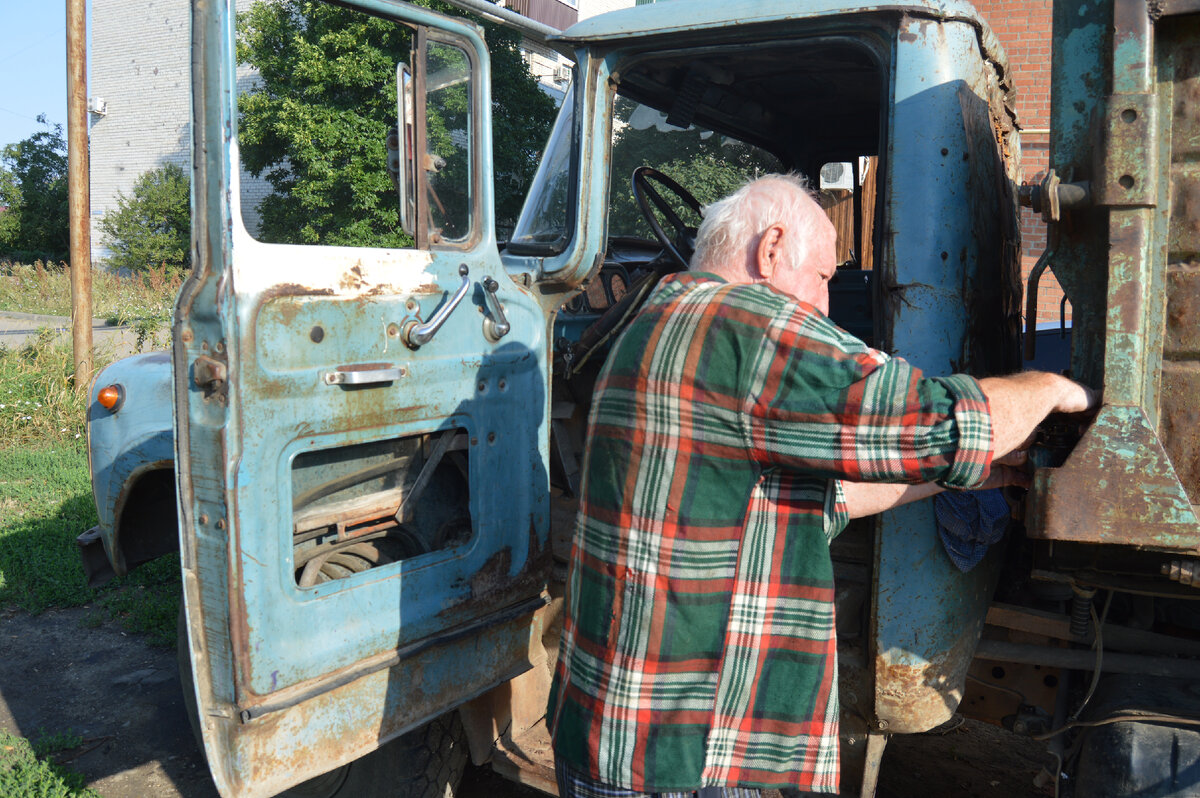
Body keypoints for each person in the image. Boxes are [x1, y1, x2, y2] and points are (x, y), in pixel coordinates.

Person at [546, 174, 1097, 797]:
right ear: (771, 248)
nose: (827, 305)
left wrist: (968, 478)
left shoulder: (661, 315)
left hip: (616, 727)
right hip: (676, 753)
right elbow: (936, 417)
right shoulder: (745, 322)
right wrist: (1056, 390)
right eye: (825, 277)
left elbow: (813, 499)